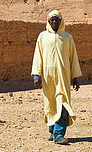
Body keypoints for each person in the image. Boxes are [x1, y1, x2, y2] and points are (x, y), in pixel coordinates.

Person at [31, 10, 82, 145]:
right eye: (52, 20)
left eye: (57, 20)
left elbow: (73, 58)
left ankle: (59, 134)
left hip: (63, 78)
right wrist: (37, 75)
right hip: (48, 79)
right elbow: (38, 56)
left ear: (61, 21)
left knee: (62, 102)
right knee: (51, 103)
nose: (54, 22)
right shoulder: (42, 37)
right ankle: (53, 130)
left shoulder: (67, 37)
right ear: (49, 21)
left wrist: (75, 77)